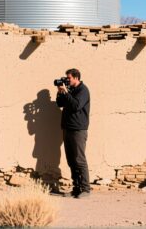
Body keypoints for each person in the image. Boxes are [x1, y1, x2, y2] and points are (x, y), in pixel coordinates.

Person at [56, 68, 91, 198]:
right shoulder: (70, 90)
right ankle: (77, 188)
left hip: (78, 129)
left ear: (76, 78)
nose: (67, 80)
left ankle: (86, 189)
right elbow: (60, 104)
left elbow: (76, 106)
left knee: (79, 160)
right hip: (67, 128)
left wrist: (67, 93)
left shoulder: (83, 90)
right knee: (71, 161)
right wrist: (60, 92)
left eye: (69, 78)